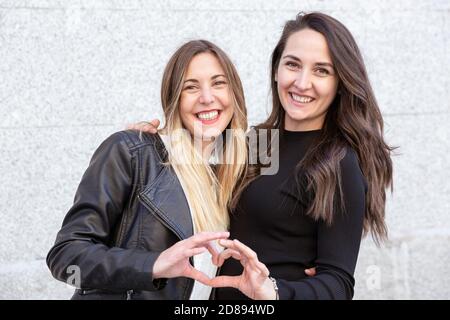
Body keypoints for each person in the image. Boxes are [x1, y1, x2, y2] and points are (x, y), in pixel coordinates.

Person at [134, 12, 394, 300]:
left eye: (321, 70)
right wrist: (149, 144)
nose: (302, 82)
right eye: (293, 65)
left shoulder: (337, 161)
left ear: (339, 82)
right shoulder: (260, 142)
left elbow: (338, 285)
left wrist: (272, 290)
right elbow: (191, 172)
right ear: (276, 69)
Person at [46, 39, 250, 300]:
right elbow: (66, 256)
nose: (207, 98)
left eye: (218, 83)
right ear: (173, 99)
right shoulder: (131, 151)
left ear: (235, 93)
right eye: (191, 87)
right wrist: (153, 265)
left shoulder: (234, 171)